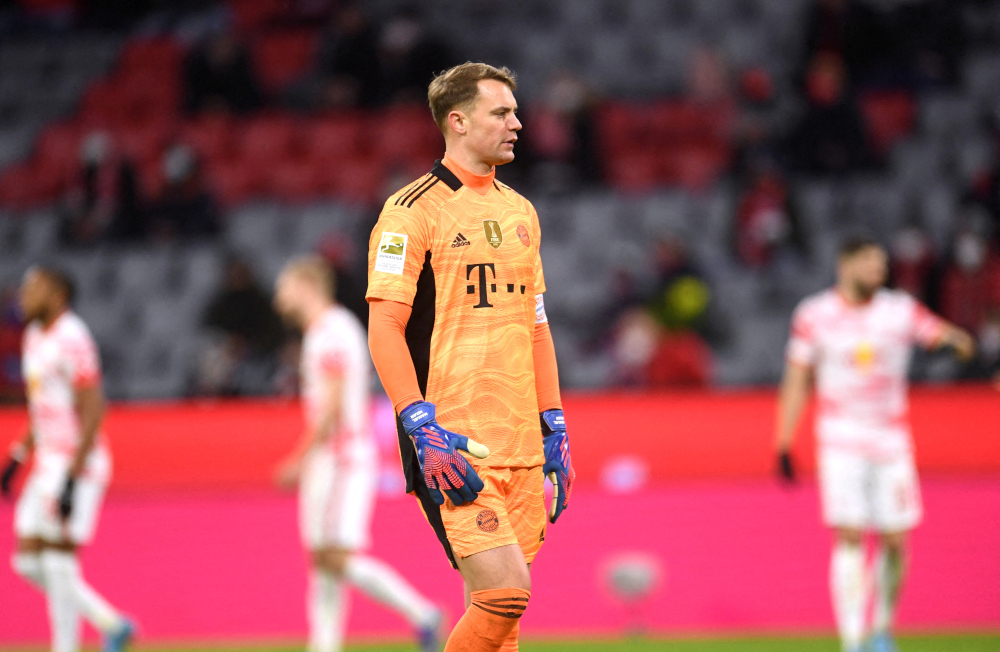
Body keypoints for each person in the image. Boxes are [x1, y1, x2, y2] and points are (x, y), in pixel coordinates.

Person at [366, 62, 576, 651]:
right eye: (501, 113)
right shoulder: (410, 211)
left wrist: (554, 421)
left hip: (520, 439)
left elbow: (536, 327)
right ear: (457, 121)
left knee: (501, 623)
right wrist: (418, 422)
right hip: (451, 438)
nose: (517, 123)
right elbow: (384, 327)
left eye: (515, 112)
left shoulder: (522, 212)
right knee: (506, 593)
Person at [775, 237, 975, 652]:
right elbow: (797, 379)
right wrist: (783, 440)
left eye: (881, 265)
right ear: (844, 264)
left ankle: (882, 629)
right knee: (849, 534)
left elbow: (944, 334)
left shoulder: (899, 310)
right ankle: (852, 640)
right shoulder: (815, 314)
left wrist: (958, 343)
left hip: (891, 439)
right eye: (869, 263)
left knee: (896, 539)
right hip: (841, 438)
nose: (878, 272)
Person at [271, 256, 442, 652]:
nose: (280, 295)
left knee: (331, 556)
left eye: (286, 285)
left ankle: (421, 613)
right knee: (323, 560)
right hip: (335, 457)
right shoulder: (329, 329)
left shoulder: (330, 331)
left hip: (340, 457)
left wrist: (300, 457)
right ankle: (325, 644)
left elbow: (332, 405)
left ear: (306, 285)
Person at [0, 267, 135, 652]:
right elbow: (42, 405)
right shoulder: (33, 336)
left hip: (75, 463)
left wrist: (73, 478)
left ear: (58, 295)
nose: (24, 296)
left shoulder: (72, 337)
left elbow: (93, 408)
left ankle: (67, 646)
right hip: (46, 462)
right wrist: (18, 455)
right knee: (27, 562)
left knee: (58, 562)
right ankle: (112, 623)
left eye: (35, 289)